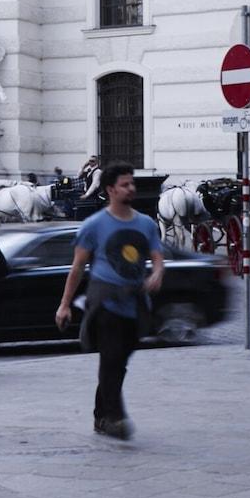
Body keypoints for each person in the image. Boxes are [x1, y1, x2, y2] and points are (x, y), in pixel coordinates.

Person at [55, 163, 165, 439]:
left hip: (135, 302)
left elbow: (158, 258)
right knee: (112, 357)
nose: (131, 188)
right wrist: (65, 304)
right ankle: (115, 418)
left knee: (117, 362)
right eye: (125, 184)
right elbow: (78, 267)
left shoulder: (146, 224)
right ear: (110, 189)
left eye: (132, 184)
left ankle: (100, 414)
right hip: (104, 300)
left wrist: (157, 274)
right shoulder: (94, 225)